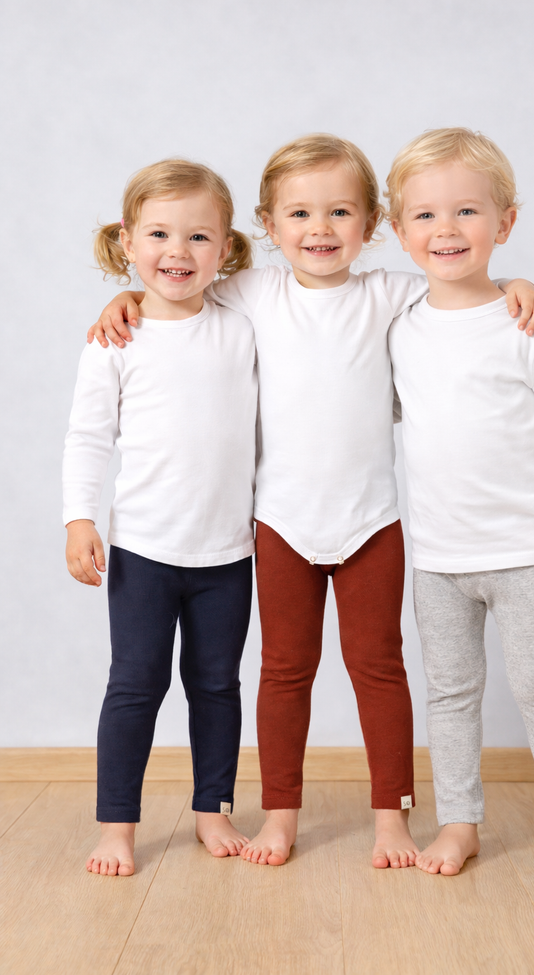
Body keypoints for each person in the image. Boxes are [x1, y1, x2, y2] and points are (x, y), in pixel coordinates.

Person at [90, 133, 534, 869]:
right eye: (299, 214)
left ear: (372, 224)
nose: (319, 229)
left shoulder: (392, 294)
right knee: (284, 669)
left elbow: (462, 287)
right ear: (268, 228)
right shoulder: (253, 291)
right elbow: (178, 282)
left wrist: (516, 288)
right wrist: (125, 296)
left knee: (380, 667)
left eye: (339, 212)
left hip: (372, 521)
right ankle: (281, 814)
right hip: (280, 525)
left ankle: (391, 818)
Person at [387, 127, 534, 884]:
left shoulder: (527, 322)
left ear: (505, 223)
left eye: (468, 212)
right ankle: (459, 821)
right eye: (425, 216)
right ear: (398, 229)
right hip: (438, 557)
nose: (446, 230)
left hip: (526, 551)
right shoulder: (399, 329)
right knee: (449, 693)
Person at [64, 159, 258, 876]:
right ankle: (117, 823)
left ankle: (214, 807)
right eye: (159, 234)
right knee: (136, 682)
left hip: (228, 553)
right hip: (144, 549)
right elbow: (88, 436)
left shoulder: (243, 328)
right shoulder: (116, 338)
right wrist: (79, 517)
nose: (178, 251)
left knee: (217, 683)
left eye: (199, 236)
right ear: (126, 240)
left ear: (227, 249)